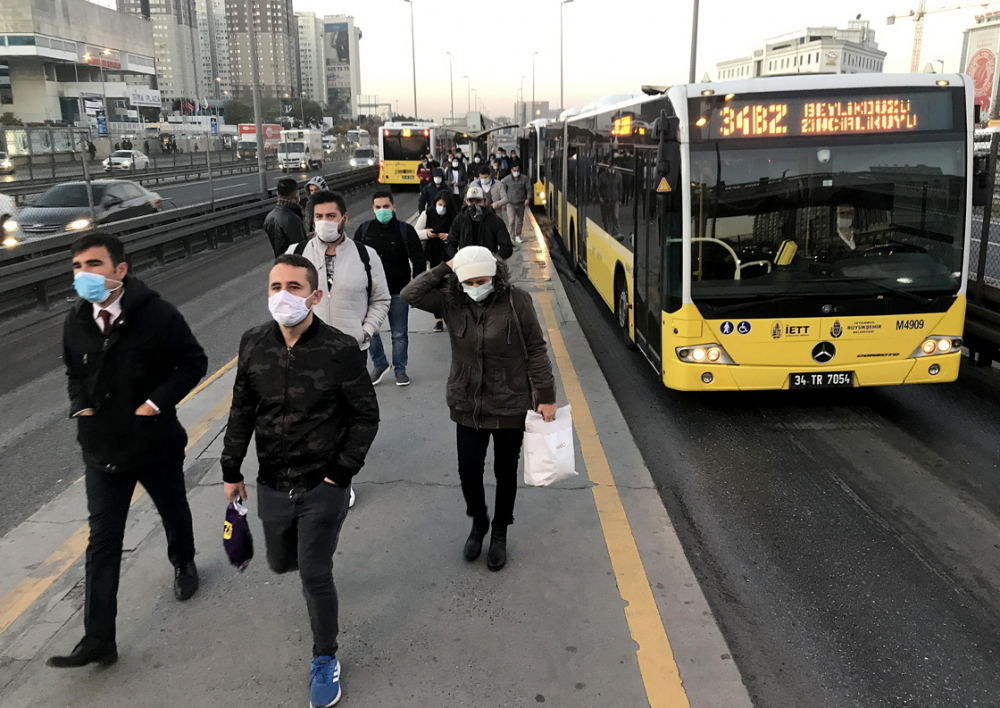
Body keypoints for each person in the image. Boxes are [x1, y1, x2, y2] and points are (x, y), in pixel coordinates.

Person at [222, 254, 380, 708]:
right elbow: (241, 410)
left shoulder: (339, 349)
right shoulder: (253, 344)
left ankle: (325, 655)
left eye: (294, 287)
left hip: (322, 485)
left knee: (314, 571)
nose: (283, 296)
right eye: (275, 287)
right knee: (278, 562)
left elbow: (366, 416)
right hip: (272, 480)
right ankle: (313, 572)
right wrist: (231, 470)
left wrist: (339, 475)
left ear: (315, 296)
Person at [48, 233, 207, 669]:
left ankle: (184, 561)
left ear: (120, 270)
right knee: (102, 543)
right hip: (101, 451)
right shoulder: (76, 320)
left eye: (94, 265)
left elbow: (194, 361)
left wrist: (156, 403)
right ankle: (99, 638)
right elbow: (72, 372)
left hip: (154, 443)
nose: (84, 275)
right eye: (77, 266)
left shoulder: (157, 315)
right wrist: (79, 403)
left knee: (173, 509)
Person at [401, 246, 556, 571]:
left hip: (510, 401)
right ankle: (479, 521)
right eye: (468, 281)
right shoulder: (450, 300)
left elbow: (536, 349)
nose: (475, 287)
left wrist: (546, 395)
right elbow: (409, 294)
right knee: (468, 472)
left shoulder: (517, 301)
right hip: (466, 400)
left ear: (496, 276)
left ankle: (499, 531)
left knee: (504, 472)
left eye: (481, 280)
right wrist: (446, 265)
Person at [288, 189, 390, 507]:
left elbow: (381, 298)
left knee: (344, 418)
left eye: (331, 216)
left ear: (344, 218)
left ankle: (339, 480)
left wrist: (365, 332)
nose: (325, 222)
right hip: (307, 351)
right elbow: (282, 298)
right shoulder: (297, 252)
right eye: (319, 217)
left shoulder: (365, 255)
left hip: (351, 351)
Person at [354, 190, 426, 387]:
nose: (382, 210)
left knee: (399, 333)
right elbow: (353, 260)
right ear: (373, 208)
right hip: (370, 294)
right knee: (369, 332)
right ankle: (379, 364)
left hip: (398, 292)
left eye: (386, 206)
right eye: (378, 207)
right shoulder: (364, 230)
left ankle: (400, 370)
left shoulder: (405, 231)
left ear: (394, 207)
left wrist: (415, 289)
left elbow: (418, 260)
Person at [414, 190, 459, 332]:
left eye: (444, 205)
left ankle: (451, 317)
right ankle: (438, 319)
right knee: (435, 287)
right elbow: (415, 231)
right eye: (439, 204)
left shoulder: (455, 217)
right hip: (433, 254)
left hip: (450, 255)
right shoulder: (427, 214)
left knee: (450, 286)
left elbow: (460, 234)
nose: (441, 208)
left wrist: (449, 237)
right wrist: (427, 234)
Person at [447, 185, 513, 260]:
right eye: (471, 201)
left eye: (478, 201)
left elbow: (507, 247)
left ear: (485, 202)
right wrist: (457, 258)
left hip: (487, 263)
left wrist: (494, 259)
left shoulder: (495, 221)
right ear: (467, 202)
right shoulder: (459, 220)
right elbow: (451, 243)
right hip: (466, 264)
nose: (475, 205)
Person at [265, 177, 308, 256]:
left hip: (280, 262)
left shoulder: (269, 216)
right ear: (297, 195)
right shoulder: (292, 218)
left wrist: (306, 237)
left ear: (277, 194)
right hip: (292, 263)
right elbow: (300, 248)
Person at [502, 163, 532, 245]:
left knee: (519, 220)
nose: (516, 172)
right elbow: (503, 191)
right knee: (511, 221)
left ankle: (517, 235)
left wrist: (528, 199)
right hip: (510, 203)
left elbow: (529, 189)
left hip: (521, 203)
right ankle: (511, 236)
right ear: (511, 170)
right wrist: (503, 203)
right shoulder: (507, 179)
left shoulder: (524, 178)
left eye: (517, 170)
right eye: (514, 170)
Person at [597, 163, 623, 239]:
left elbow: (620, 188)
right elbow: (597, 187)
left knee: (615, 216)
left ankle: (616, 232)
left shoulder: (618, 176)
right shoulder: (602, 176)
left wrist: (620, 199)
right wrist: (600, 197)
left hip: (615, 199)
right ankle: (607, 232)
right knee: (606, 218)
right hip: (605, 200)